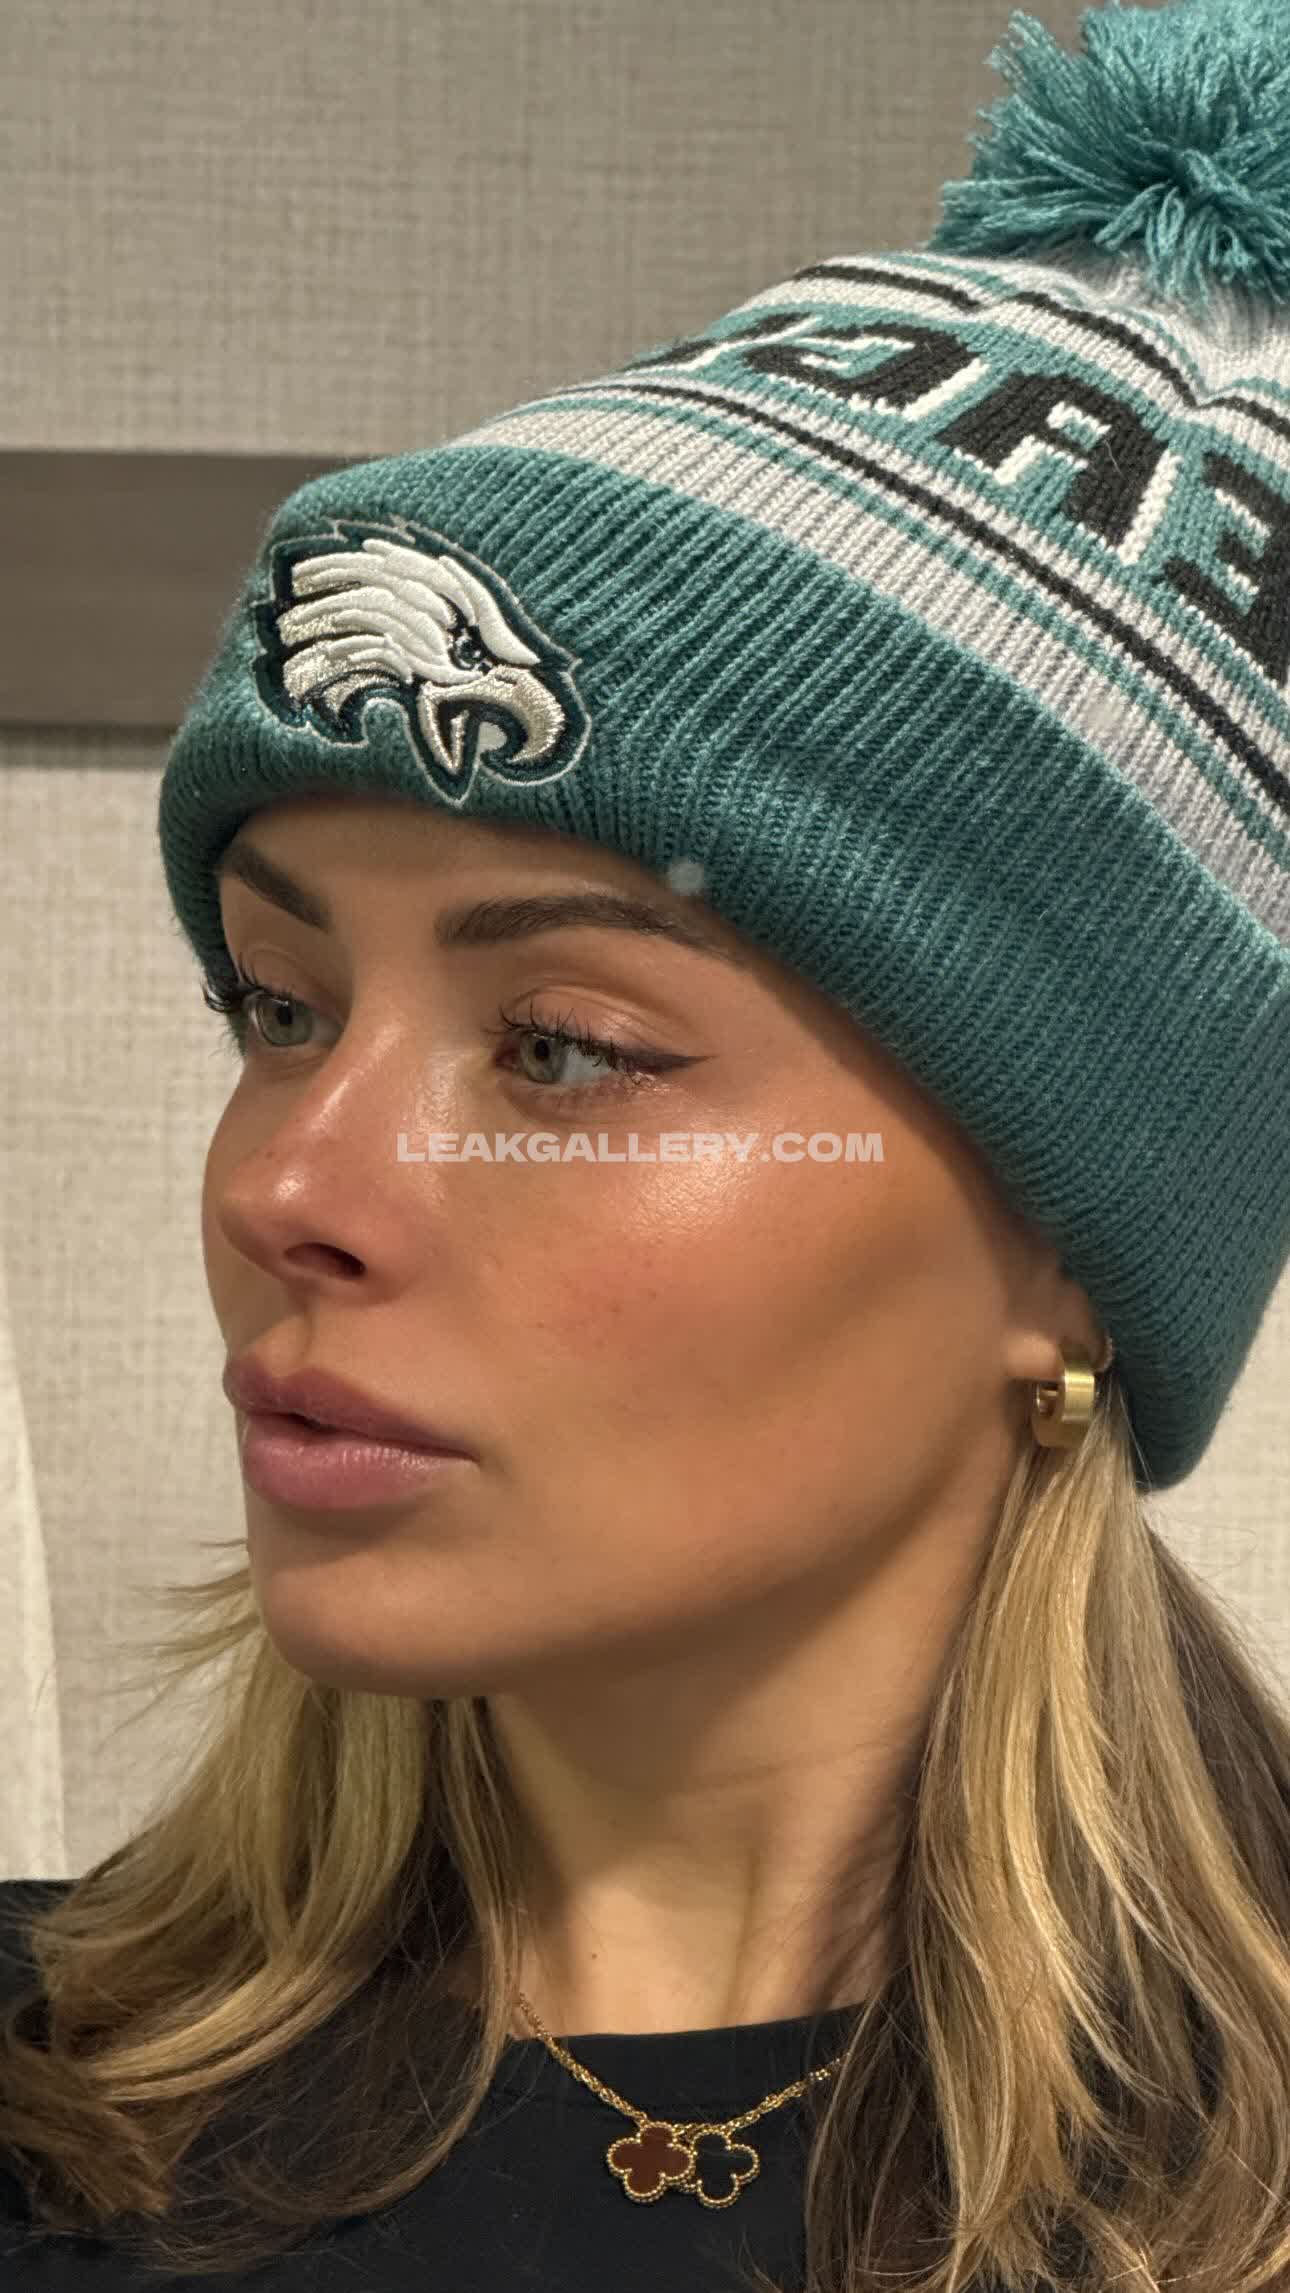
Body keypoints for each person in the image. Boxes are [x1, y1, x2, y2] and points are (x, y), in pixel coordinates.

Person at [3, 0, 1289, 2285]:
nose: (284, 1190)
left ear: (1074, 1244)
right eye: (280, 1007)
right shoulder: (54, 2118)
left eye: (567, 1048)